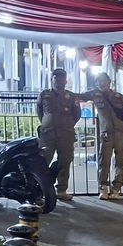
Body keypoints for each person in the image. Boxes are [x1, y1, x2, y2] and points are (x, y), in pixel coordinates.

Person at [37, 67, 84, 201]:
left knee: (65, 160)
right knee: (43, 160)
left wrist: (66, 124)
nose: (59, 80)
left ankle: (61, 190)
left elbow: (77, 114)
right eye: (56, 77)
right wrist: (48, 123)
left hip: (66, 133)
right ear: (52, 79)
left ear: (65, 80)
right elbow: (40, 112)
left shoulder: (72, 96)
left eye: (62, 77)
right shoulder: (44, 94)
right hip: (48, 133)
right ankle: (40, 189)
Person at [85, 73, 123, 199]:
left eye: (104, 81)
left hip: (121, 132)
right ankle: (103, 188)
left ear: (110, 82)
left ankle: (116, 189)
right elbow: (79, 96)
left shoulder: (119, 97)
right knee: (103, 161)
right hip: (106, 133)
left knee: (120, 161)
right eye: (99, 81)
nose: (102, 83)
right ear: (96, 83)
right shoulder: (95, 95)